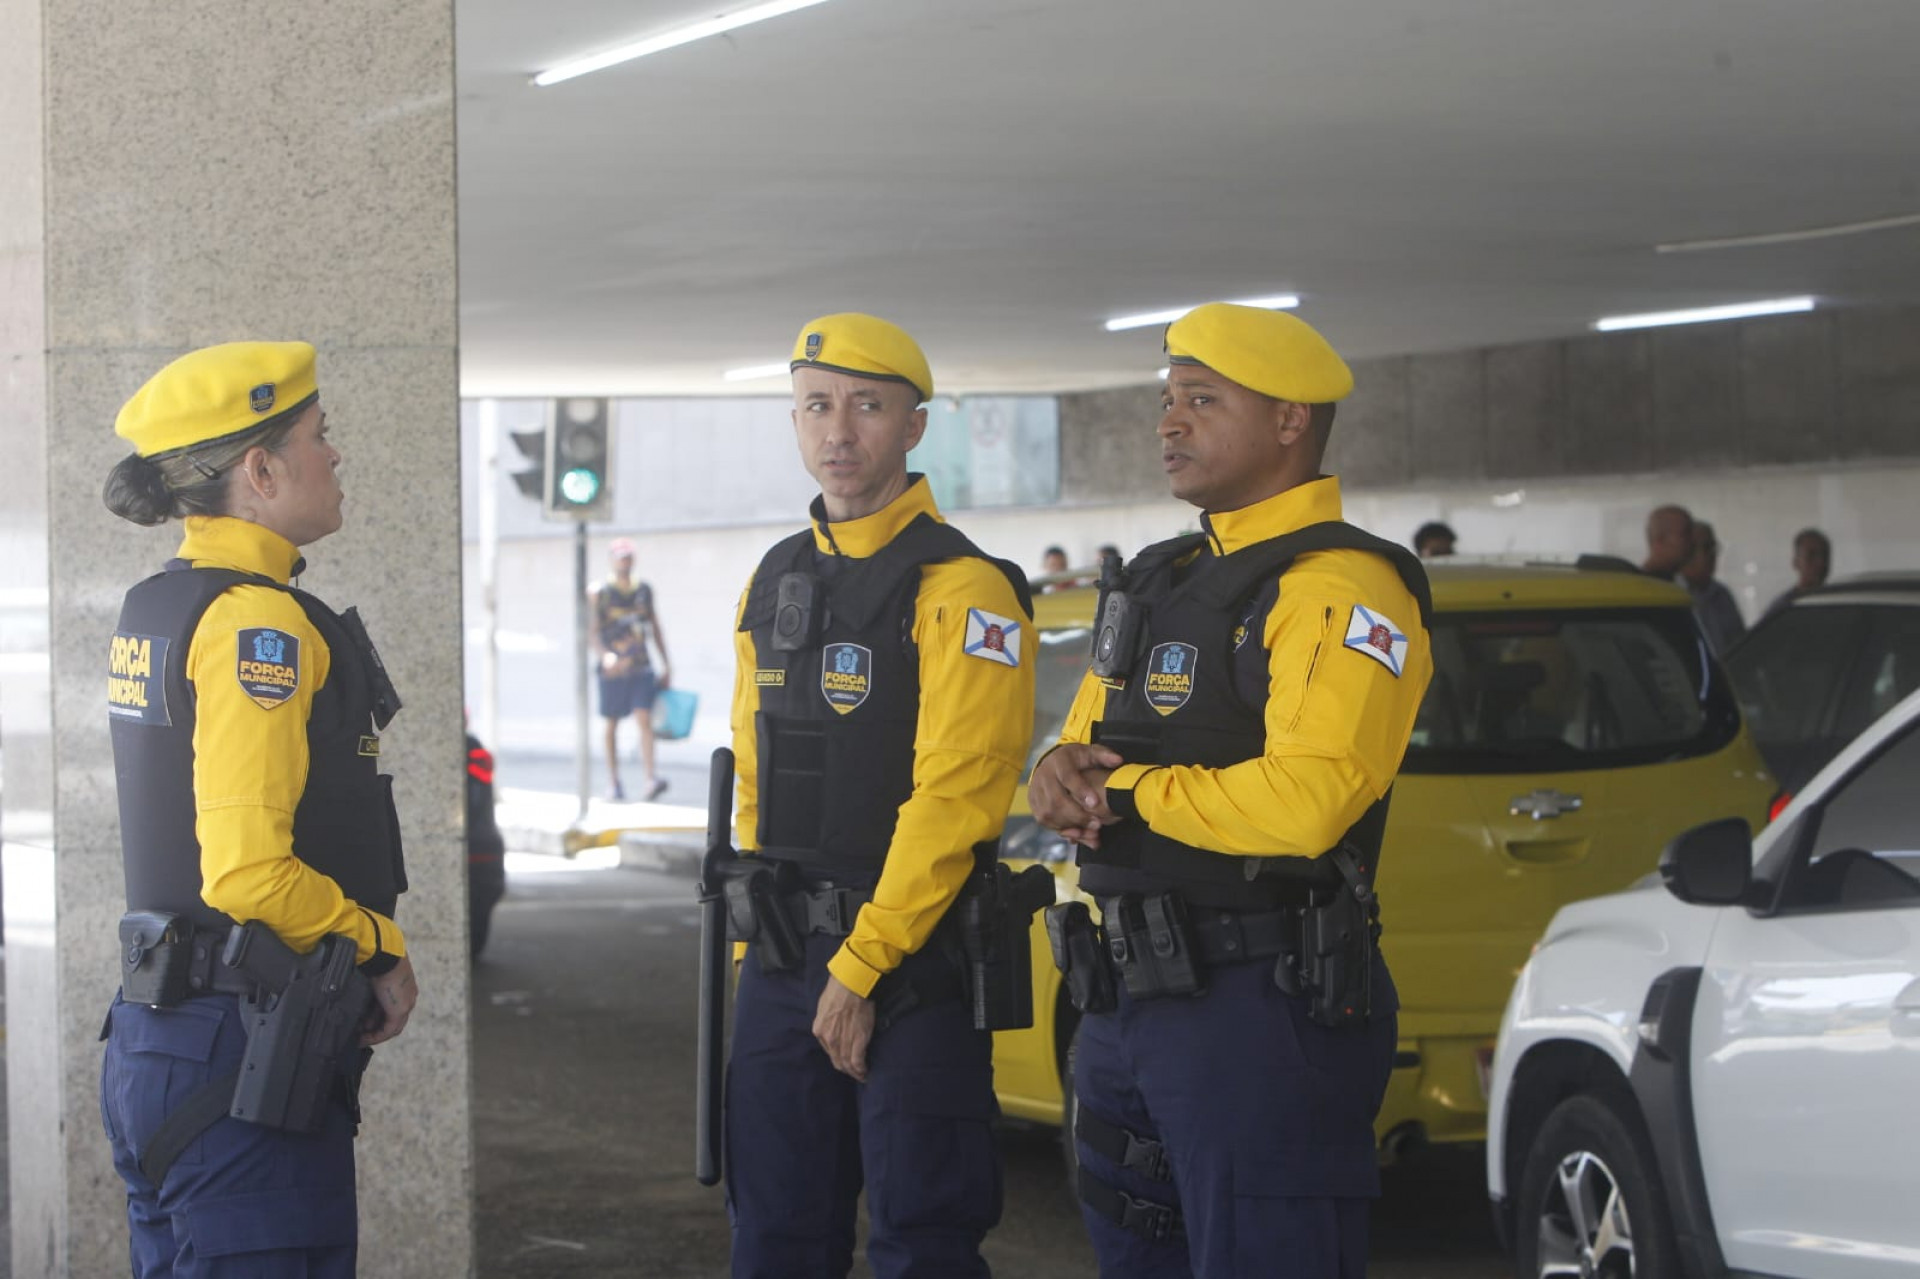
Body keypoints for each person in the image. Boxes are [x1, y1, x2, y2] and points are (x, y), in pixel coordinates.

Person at [1028, 303, 1435, 1278]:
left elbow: (1310, 802)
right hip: (1125, 1000)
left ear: (1291, 419)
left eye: (1201, 401)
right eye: (1168, 400)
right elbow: (1084, 742)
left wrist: (1129, 795)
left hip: (1259, 1009)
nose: (1169, 422)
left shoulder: (1342, 588)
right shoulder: (1166, 578)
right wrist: (1055, 771)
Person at [723, 313, 1036, 1277]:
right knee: (774, 1233)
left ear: (914, 424)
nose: (838, 431)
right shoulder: (775, 576)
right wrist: (755, 951)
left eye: (867, 405)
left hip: (912, 963)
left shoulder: (965, 588)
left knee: (921, 1239)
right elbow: (752, 778)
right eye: (817, 406)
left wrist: (860, 967)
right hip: (783, 957)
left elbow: (956, 799)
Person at [99, 341, 419, 1277]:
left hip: (162, 1036)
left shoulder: (159, 603)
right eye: (320, 437)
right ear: (261, 469)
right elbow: (245, 870)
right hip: (243, 1052)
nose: (337, 456)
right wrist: (380, 945)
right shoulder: (257, 623)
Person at [591, 537, 672, 800]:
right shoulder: (600, 592)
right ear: (612, 559)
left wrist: (667, 663)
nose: (624, 562)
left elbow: (655, 627)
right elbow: (591, 631)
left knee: (644, 719)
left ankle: (650, 778)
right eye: (620, 557)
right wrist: (606, 656)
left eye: (628, 557)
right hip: (614, 670)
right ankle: (614, 781)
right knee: (612, 724)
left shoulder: (644, 590)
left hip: (641, 666)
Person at [1680, 520, 1746, 655]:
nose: (1708, 556)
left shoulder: (1722, 595)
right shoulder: (1673, 595)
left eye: (1711, 548)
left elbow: (1741, 644)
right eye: (1699, 548)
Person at [1763, 527, 1832, 619]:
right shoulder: (1783, 608)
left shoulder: (1836, 602)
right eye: (1811, 555)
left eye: (1824, 555)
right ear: (1795, 562)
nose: (1820, 563)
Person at [1642, 504, 1694, 578]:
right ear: (1660, 539)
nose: (1693, 542)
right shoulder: (1637, 584)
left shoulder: (1681, 583)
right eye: (1685, 534)